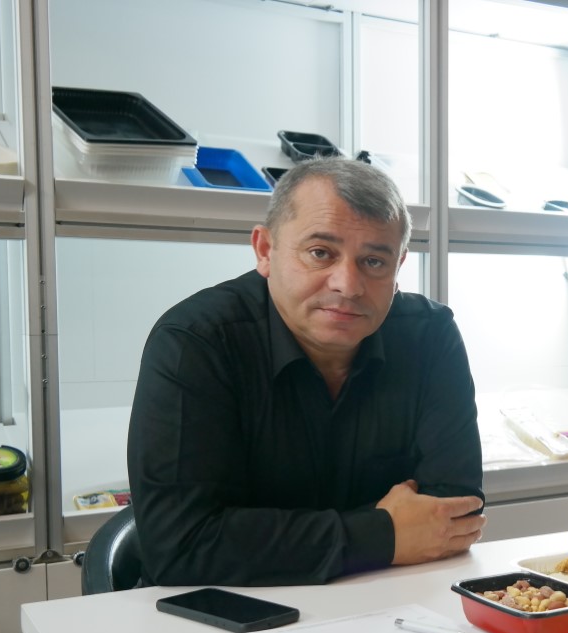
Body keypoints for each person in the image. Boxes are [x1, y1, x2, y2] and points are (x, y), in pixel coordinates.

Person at [127, 156, 486, 587]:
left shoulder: (430, 336)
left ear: (398, 268)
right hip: (221, 610)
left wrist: (276, 539)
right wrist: (382, 532)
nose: (347, 284)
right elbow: (179, 544)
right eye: (320, 253)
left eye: (374, 261)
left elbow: (454, 515)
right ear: (265, 250)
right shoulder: (195, 341)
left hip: (386, 604)